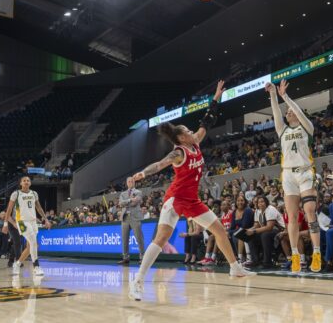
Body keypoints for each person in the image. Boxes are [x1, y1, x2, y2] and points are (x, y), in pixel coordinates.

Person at [129, 81, 254, 301]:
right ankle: (138, 280)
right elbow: (159, 165)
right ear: (180, 138)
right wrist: (142, 174)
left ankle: (235, 267)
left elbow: (208, 120)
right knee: (161, 238)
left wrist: (216, 97)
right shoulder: (178, 153)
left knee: (219, 230)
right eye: (187, 131)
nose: (191, 131)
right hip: (175, 199)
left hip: (192, 200)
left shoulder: (195, 142)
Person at [266, 79, 322, 273]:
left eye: (290, 110)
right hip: (288, 174)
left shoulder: (307, 127)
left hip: (305, 171)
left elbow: (298, 111)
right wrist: (273, 94)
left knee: (310, 211)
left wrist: (285, 97)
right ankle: (296, 255)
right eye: (287, 111)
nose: (288, 112)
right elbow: (275, 113)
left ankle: (316, 252)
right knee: (291, 218)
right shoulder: (282, 131)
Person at [4, 176, 52, 277]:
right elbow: (8, 210)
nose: (26, 182)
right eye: (24, 180)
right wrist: (6, 224)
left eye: (28, 180)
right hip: (22, 221)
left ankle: (17, 264)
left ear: (30, 183)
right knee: (34, 242)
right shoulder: (16, 193)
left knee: (31, 245)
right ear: (20, 183)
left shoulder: (34, 193)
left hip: (33, 221)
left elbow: (39, 208)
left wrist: (46, 219)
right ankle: (36, 267)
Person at [245, 196, 285, 268]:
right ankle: (255, 261)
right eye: (258, 202)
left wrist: (253, 231)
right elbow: (256, 225)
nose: (260, 204)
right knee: (250, 236)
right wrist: (248, 230)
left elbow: (269, 227)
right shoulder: (257, 211)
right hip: (267, 230)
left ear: (266, 202)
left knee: (265, 235)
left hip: (280, 230)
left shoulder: (271, 209)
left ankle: (267, 262)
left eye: (262, 201)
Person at [118, 177, 146, 265]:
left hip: (135, 217)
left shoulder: (138, 192)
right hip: (125, 218)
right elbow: (121, 203)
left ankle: (142, 257)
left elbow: (135, 202)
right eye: (129, 181)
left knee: (139, 238)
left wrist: (126, 202)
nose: (130, 182)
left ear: (134, 183)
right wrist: (130, 199)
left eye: (132, 181)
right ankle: (125, 258)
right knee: (124, 239)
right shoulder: (123, 193)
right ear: (127, 183)